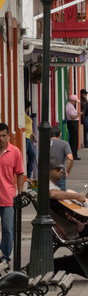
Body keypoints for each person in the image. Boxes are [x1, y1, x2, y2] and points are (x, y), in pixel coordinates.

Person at [0, 123, 24, 266]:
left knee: (8, 230)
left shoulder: (14, 152)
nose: (1, 138)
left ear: (8, 135)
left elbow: (20, 173)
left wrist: (20, 193)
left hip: (8, 197)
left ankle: (5, 257)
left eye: (3, 135)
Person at [50, 126, 74, 191]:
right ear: (60, 134)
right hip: (59, 172)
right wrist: (67, 172)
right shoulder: (64, 144)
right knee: (61, 197)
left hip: (47, 173)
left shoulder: (44, 143)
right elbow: (70, 158)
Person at [24, 100, 37, 180]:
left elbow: (29, 128)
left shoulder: (25, 115)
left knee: (32, 155)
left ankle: (28, 175)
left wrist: (34, 137)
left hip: (28, 137)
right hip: (25, 137)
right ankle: (27, 175)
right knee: (30, 155)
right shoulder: (22, 115)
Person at [66, 94, 80, 160]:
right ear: (72, 100)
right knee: (74, 140)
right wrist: (78, 115)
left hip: (72, 123)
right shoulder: (70, 106)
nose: (76, 102)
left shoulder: (70, 106)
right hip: (73, 123)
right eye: (75, 101)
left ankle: (74, 154)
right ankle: (74, 155)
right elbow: (72, 116)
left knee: (73, 139)